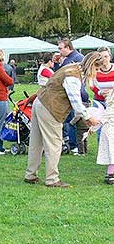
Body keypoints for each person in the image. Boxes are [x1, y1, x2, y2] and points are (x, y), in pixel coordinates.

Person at [24, 52, 101, 188]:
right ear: (92, 66)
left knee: (36, 142)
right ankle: (52, 179)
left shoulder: (72, 68)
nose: (97, 73)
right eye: (97, 69)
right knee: (54, 144)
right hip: (50, 107)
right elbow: (75, 101)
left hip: (40, 101)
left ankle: (30, 174)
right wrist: (88, 117)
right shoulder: (73, 76)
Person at [55, 38, 86, 153]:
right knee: (70, 119)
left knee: (73, 120)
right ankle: (73, 143)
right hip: (71, 92)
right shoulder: (70, 58)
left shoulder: (75, 59)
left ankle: (74, 145)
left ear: (68, 48)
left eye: (60, 48)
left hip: (75, 93)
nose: (59, 51)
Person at [97, 89, 114, 185]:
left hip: (109, 128)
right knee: (112, 151)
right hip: (110, 129)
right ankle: (111, 174)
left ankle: (111, 173)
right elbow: (105, 116)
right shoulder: (111, 107)